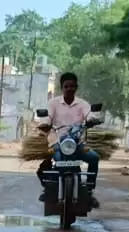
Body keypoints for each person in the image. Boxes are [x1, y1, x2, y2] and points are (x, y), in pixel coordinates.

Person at [40, 71, 100, 207]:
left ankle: (89, 191)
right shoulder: (53, 103)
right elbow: (47, 116)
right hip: (57, 142)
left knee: (94, 158)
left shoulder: (83, 104)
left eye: (72, 86)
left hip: (77, 143)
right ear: (62, 88)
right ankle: (49, 189)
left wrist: (91, 120)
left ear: (76, 87)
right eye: (66, 86)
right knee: (57, 161)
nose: (69, 89)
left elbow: (89, 114)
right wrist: (45, 123)